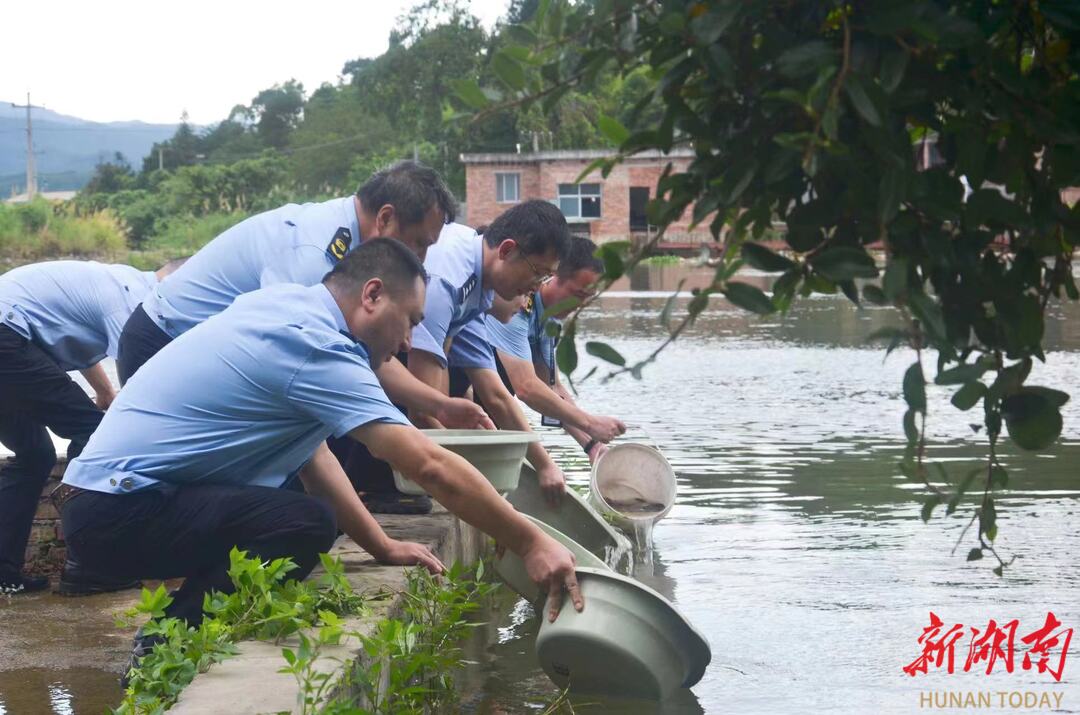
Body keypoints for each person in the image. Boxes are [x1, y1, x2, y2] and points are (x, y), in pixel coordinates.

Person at [56, 240, 582, 669]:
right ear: (372, 295)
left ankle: (177, 628)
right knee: (303, 524)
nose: (406, 341)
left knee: (307, 514)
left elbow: (312, 455)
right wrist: (529, 540)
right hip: (117, 513)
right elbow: (426, 465)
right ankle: (167, 641)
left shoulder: (289, 308)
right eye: (408, 320)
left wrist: (381, 546)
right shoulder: (316, 346)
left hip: (100, 506)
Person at [0, 257, 183, 595]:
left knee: (35, 455)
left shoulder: (117, 283)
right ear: (176, 285)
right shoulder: (135, 299)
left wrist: (104, 392)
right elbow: (144, 383)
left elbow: (90, 347)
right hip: (6, 336)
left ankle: (3, 572)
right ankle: (87, 566)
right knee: (94, 435)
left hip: (9, 337)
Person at [406, 200, 573, 505]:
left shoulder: (477, 283)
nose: (534, 289)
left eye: (545, 279)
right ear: (507, 250)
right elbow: (422, 405)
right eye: (537, 273)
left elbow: (495, 394)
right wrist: (476, 483)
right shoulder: (447, 284)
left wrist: (546, 464)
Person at [483, 237, 626, 464]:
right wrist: (590, 422)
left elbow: (550, 387)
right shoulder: (515, 305)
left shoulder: (551, 321)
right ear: (552, 276)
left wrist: (591, 445)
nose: (580, 306)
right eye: (578, 295)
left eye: (588, 299)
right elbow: (526, 387)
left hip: (491, 412)